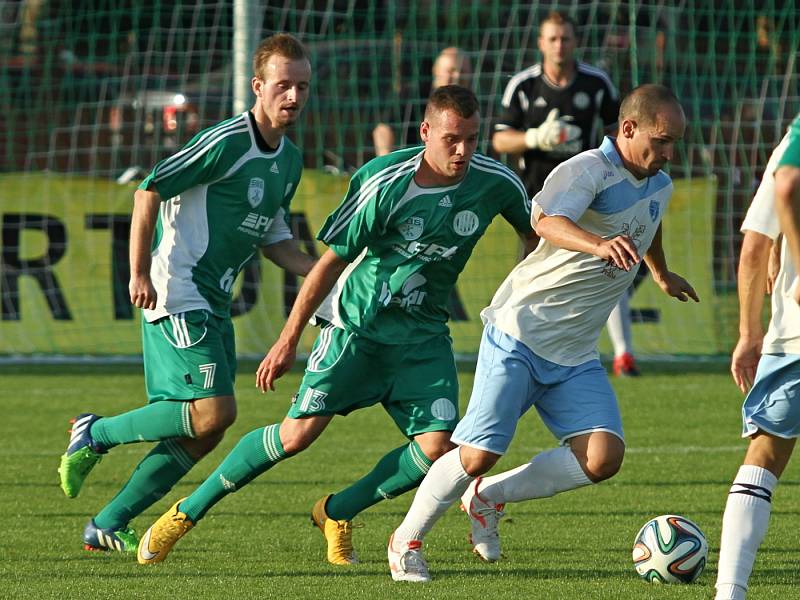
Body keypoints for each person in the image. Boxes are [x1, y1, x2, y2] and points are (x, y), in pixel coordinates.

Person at [136, 84, 538, 567]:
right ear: (425, 131)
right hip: (356, 327)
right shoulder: (382, 182)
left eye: (473, 140)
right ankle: (185, 513)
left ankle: (337, 510)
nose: (463, 152)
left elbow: (532, 233)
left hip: (424, 335)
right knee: (295, 437)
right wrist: (287, 340)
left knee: (438, 449)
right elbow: (329, 265)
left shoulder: (495, 182)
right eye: (452, 138)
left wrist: (520, 292)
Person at [387, 84, 698, 582]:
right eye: (661, 141)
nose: (668, 153)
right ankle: (405, 540)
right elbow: (544, 220)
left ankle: (488, 498)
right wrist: (597, 245)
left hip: (574, 353)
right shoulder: (584, 171)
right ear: (628, 128)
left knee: (603, 457)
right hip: (521, 333)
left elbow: (650, 218)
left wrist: (659, 272)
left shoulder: (658, 182)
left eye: (675, 143)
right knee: (476, 454)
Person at [56, 33, 316, 553]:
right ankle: (95, 431)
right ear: (257, 86)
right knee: (215, 412)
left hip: (214, 299)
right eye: (283, 85)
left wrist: (325, 275)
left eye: (302, 87)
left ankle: (108, 521)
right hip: (177, 288)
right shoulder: (227, 142)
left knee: (204, 429)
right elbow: (148, 187)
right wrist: (138, 272)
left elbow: (276, 240)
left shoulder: (288, 160)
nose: (293, 97)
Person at [490, 10, 638, 376]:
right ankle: (515, 338)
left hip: (591, 193)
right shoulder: (523, 86)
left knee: (607, 263)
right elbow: (498, 138)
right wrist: (534, 138)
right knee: (533, 265)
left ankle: (623, 354)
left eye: (566, 38)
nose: (559, 45)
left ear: (575, 42)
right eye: (552, 38)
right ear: (541, 43)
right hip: (537, 194)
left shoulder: (597, 83)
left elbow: (621, 135)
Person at [715, 115, 800, 600]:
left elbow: (755, 247)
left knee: (766, 452)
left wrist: (749, 333)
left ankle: (731, 591)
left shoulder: (795, 138)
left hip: (792, 334)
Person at [372, 46, 472, 157]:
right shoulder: (412, 94)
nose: (457, 76)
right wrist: (386, 160)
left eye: (462, 71)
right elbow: (383, 129)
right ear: (436, 70)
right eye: (451, 70)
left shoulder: (475, 101)